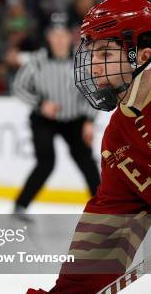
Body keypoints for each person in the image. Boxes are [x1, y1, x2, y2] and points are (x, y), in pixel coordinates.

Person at [8, 0, 151, 294]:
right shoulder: (122, 136)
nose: (96, 68)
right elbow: (109, 231)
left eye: (106, 54)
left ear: (145, 54)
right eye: (93, 54)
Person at [12, 13, 100, 216]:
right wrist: (40, 104)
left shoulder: (83, 60)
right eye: (55, 35)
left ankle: (103, 208)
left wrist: (89, 120)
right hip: (45, 120)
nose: (59, 40)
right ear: (48, 37)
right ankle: (21, 205)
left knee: (86, 161)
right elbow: (18, 87)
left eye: (63, 35)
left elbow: (94, 89)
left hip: (75, 119)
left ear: (71, 37)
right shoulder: (37, 61)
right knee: (46, 162)